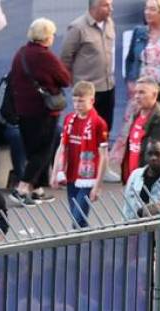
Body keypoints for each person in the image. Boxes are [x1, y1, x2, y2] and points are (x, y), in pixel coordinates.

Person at [7, 18, 73, 205]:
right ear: (46, 36)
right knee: (43, 151)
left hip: (23, 110)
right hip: (43, 111)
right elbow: (65, 79)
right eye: (52, 34)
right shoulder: (45, 56)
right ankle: (22, 188)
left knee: (32, 150)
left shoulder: (20, 54)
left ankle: (37, 190)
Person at [117, 0, 160, 168]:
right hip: (141, 86)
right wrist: (130, 81)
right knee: (133, 124)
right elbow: (130, 59)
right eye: (146, 9)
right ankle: (130, 162)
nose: (147, 12)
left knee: (159, 127)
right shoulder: (139, 32)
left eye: (152, 9)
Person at [59, 1, 118, 143]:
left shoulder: (109, 23)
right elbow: (65, 58)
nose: (111, 8)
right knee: (85, 130)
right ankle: (84, 161)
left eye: (111, 4)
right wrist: (77, 85)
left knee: (104, 128)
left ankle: (102, 161)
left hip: (108, 86)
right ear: (94, 7)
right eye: (106, 5)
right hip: (88, 90)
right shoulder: (77, 28)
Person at [52, 81, 109, 228]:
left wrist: (98, 185)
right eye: (75, 101)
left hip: (88, 178)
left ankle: (86, 247)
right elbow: (62, 147)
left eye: (81, 101)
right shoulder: (69, 119)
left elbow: (104, 156)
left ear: (92, 100)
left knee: (78, 220)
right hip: (71, 175)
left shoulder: (99, 123)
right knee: (78, 221)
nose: (77, 105)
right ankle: (87, 247)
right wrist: (54, 173)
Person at [119, 78, 160, 182]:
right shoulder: (136, 117)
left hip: (150, 182)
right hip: (134, 180)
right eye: (136, 92)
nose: (137, 96)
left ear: (154, 95)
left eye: (142, 92)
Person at [122, 139, 160, 219]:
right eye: (150, 154)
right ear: (145, 156)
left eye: (157, 154)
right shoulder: (135, 176)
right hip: (137, 228)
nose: (153, 158)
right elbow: (127, 208)